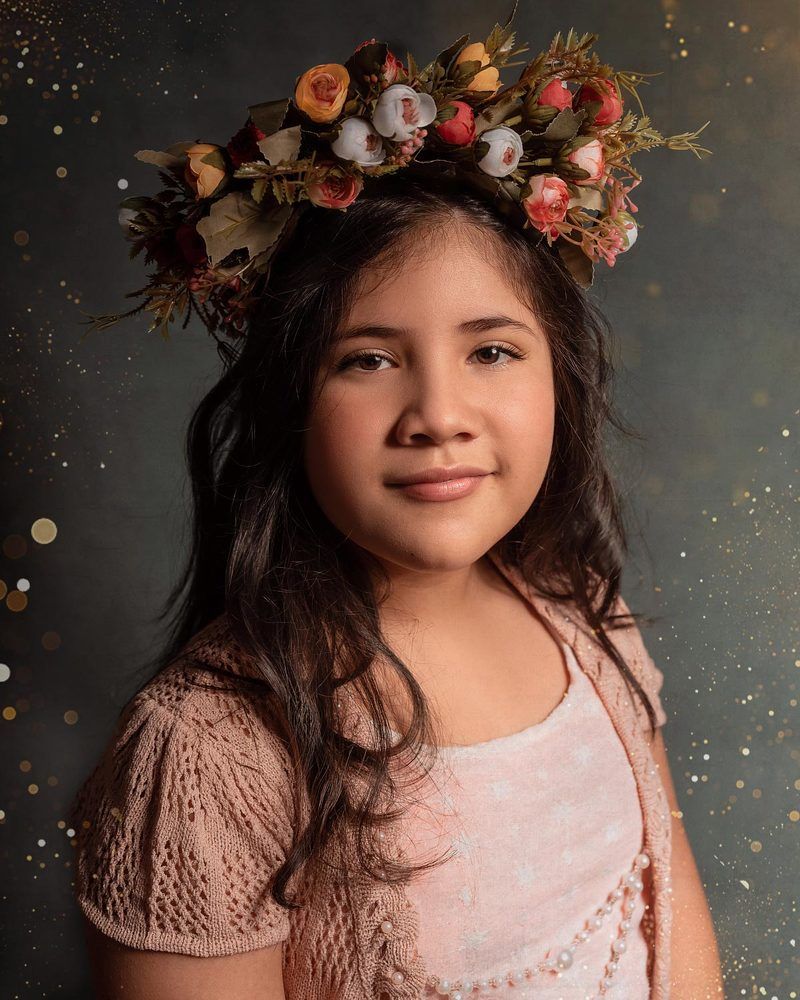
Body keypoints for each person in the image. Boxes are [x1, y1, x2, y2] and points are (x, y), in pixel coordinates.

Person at [68, 14, 722, 1000]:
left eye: (491, 350)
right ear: (290, 400)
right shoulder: (204, 752)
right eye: (368, 360)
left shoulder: (583, 613)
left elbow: (676, 921)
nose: (438, 416)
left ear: (560, 375)